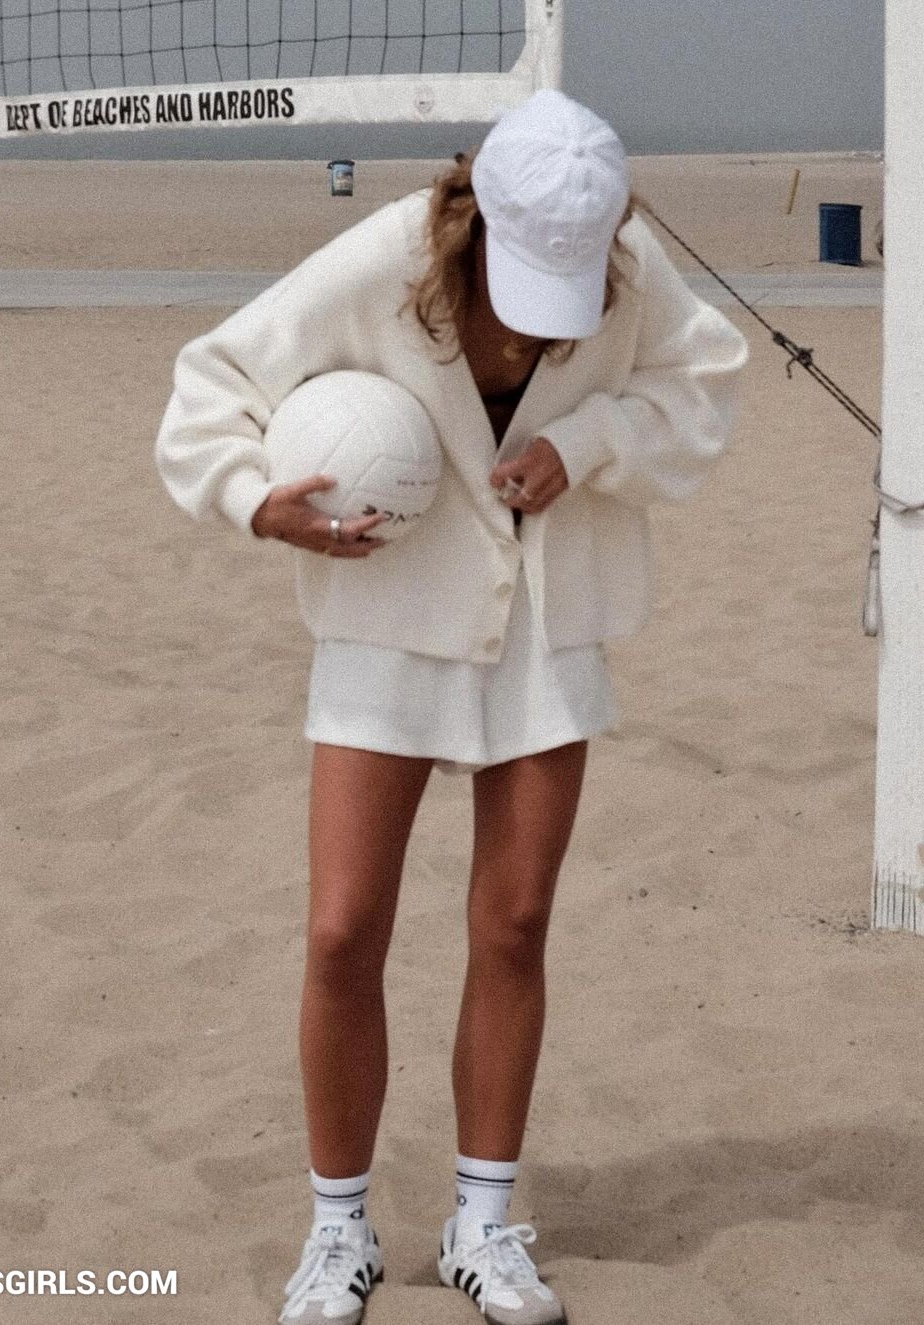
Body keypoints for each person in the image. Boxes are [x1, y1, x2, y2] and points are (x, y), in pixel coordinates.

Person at [155, 90, 748, 1325]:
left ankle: (484, 1220)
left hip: (549, 619)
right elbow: (213, 380)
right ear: (475, 224)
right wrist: (256, 500)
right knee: (341, 931)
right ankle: (337, 1229)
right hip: (387, 618)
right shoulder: (385, 258)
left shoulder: (629, 267)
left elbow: (705, 384)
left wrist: (587, 441)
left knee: (515, 923)